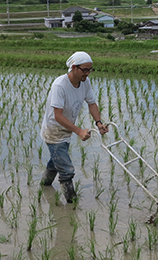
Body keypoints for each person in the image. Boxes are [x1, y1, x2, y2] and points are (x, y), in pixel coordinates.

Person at [39, 51, 109, 203]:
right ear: (73, 67)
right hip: (54, 131)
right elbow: (57, 115)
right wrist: (78, 131)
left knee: (56, 160)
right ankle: (72, 205)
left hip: (66, 128)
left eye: (90, 69)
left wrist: (98, 122)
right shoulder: (60, 85)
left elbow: (91, 103)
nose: (88, 73)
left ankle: (44, 185)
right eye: (85, 70)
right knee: (66, 169)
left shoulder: (85, 82)